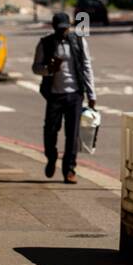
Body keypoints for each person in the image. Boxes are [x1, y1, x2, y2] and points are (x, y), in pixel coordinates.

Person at [31, 11, 97, 183]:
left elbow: (87, 68)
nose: (63, 32)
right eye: (60, 29)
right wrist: (48, 70)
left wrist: (91, 94)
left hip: (75, 94)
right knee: (50, 131)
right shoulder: (45, 44)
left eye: (65, 28)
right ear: (53, 28)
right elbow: (35, 67)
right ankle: (51, 157)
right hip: (54, 95)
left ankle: (69, 170)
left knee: (72, 134)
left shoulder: (80, 42)